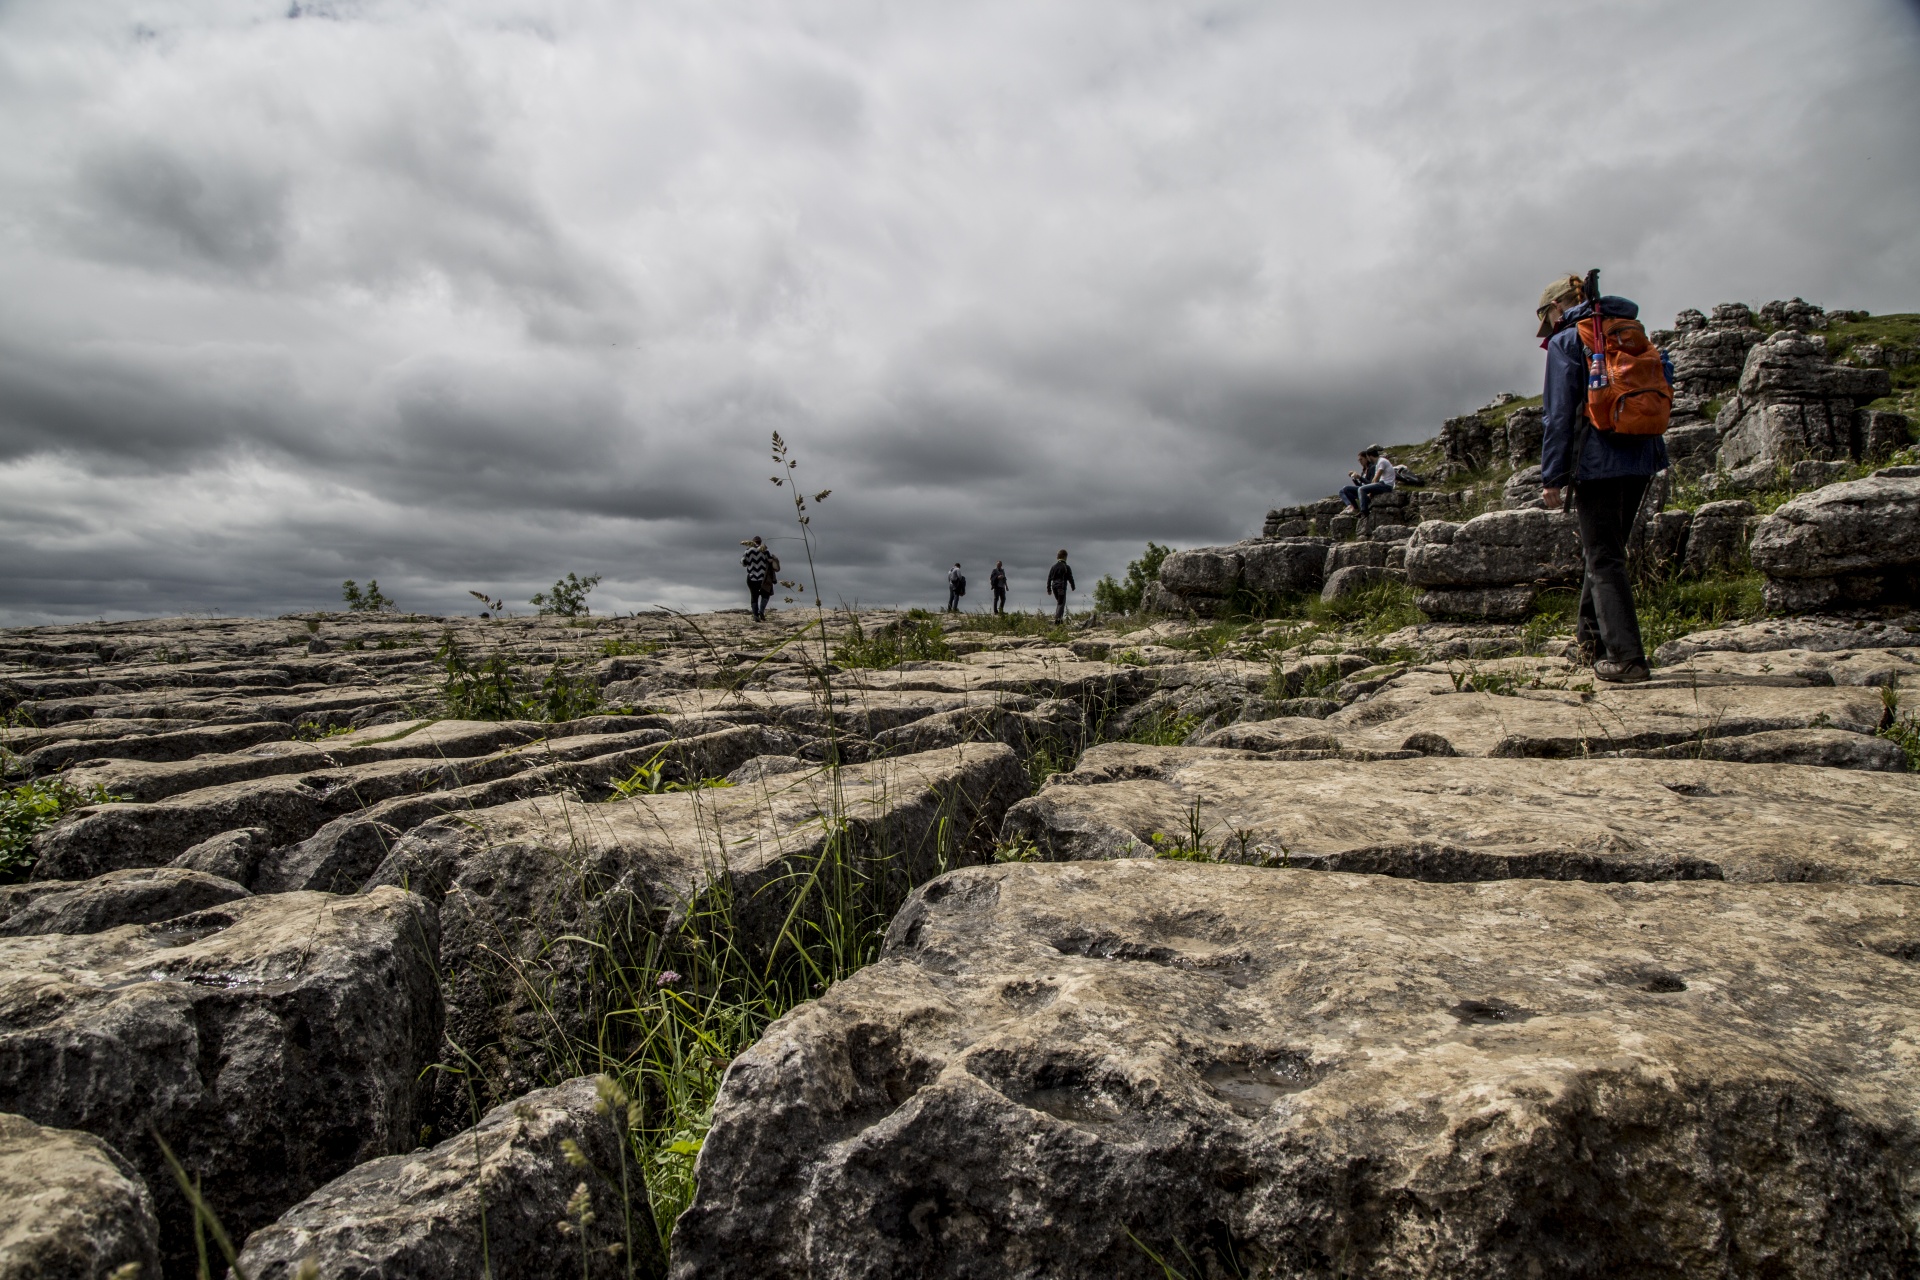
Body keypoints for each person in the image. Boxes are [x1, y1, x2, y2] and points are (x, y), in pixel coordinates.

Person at [1536, 272, 1670, 685]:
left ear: (1558, 308)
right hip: (1644, 455)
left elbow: (1559, 416)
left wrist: (1552, 476)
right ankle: (1591, 645)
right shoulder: (1629, 332)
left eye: (1548, 316)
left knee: (1603, 556)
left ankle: (1627, 660)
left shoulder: (1568, 341)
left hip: (1598, 462)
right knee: (1606, 551)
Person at [1338, 446, 1396, 515]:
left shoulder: (1382, 461)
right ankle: (1360, 509)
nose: (1360, 462)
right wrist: (1355, 479)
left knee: (1361, 489)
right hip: (1382, 484)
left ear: (1369, 456)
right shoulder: (1378, 463)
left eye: (1361, 459)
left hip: (1386, 485)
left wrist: (1370, 489)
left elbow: (1376, 478)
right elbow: (1374, 480)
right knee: (1352, 489)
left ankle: (1364, 511)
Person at [741, 536, 773, 621]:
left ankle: (755, 615)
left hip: (752, 577)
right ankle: (761, 611)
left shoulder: (747, 551)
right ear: (760, 542)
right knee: (766, 595)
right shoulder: (765, 550)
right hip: (764, 578)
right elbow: (770, 561)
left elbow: (743, 562)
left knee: (754, 596)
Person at [1046, 549, 1075, 624]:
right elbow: (1070, 577)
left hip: (1054, 586)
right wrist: (1073, 586)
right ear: (1065, 557)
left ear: (1057, 557)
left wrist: (1049, 589)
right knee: (1061, 603)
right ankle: (1058, 620)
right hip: (1061, 586)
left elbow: (1049, 578)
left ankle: (1059, 619)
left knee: (1059, 602)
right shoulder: (1066, 567)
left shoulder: (1053, 567)